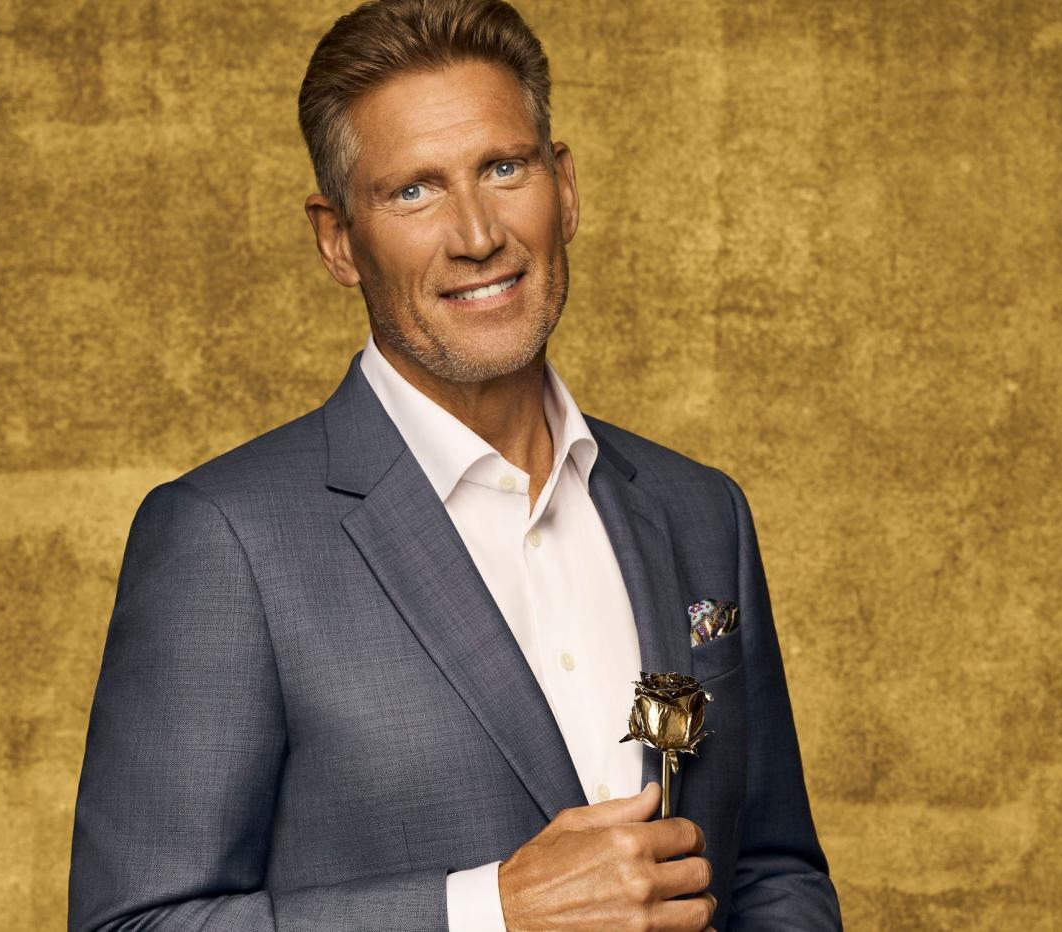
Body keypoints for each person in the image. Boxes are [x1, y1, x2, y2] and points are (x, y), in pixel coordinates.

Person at [67, 1, 842, 929]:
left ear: (565, 186)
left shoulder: (700, 510)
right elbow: (134, 925)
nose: (477, 234)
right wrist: (490, 911)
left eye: (504, 169)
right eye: (413, 192)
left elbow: (773, 872)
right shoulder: (224, 541)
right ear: (336, 239)